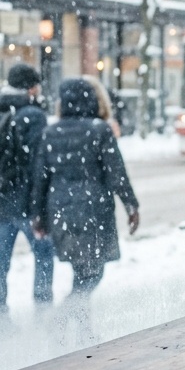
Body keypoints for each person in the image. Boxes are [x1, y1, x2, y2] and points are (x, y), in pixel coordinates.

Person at [31, 78, 139, 300]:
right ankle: (64, 318)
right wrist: (131, 205)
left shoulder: (50, 132)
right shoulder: (100, 130)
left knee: (81, 271)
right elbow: (116, 173)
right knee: (92, 273)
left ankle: (81, 329)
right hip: (93, 211)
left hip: (60, 211)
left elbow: (40, 179)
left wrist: (38, 215)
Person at [0, 63, 54, 315]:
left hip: (1, 203)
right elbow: (39, 165)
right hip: (26, 202)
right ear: (31, 87)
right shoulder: (33, 115)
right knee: (43, 254)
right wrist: (40, 207)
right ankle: (42, 310)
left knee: (0, 262)